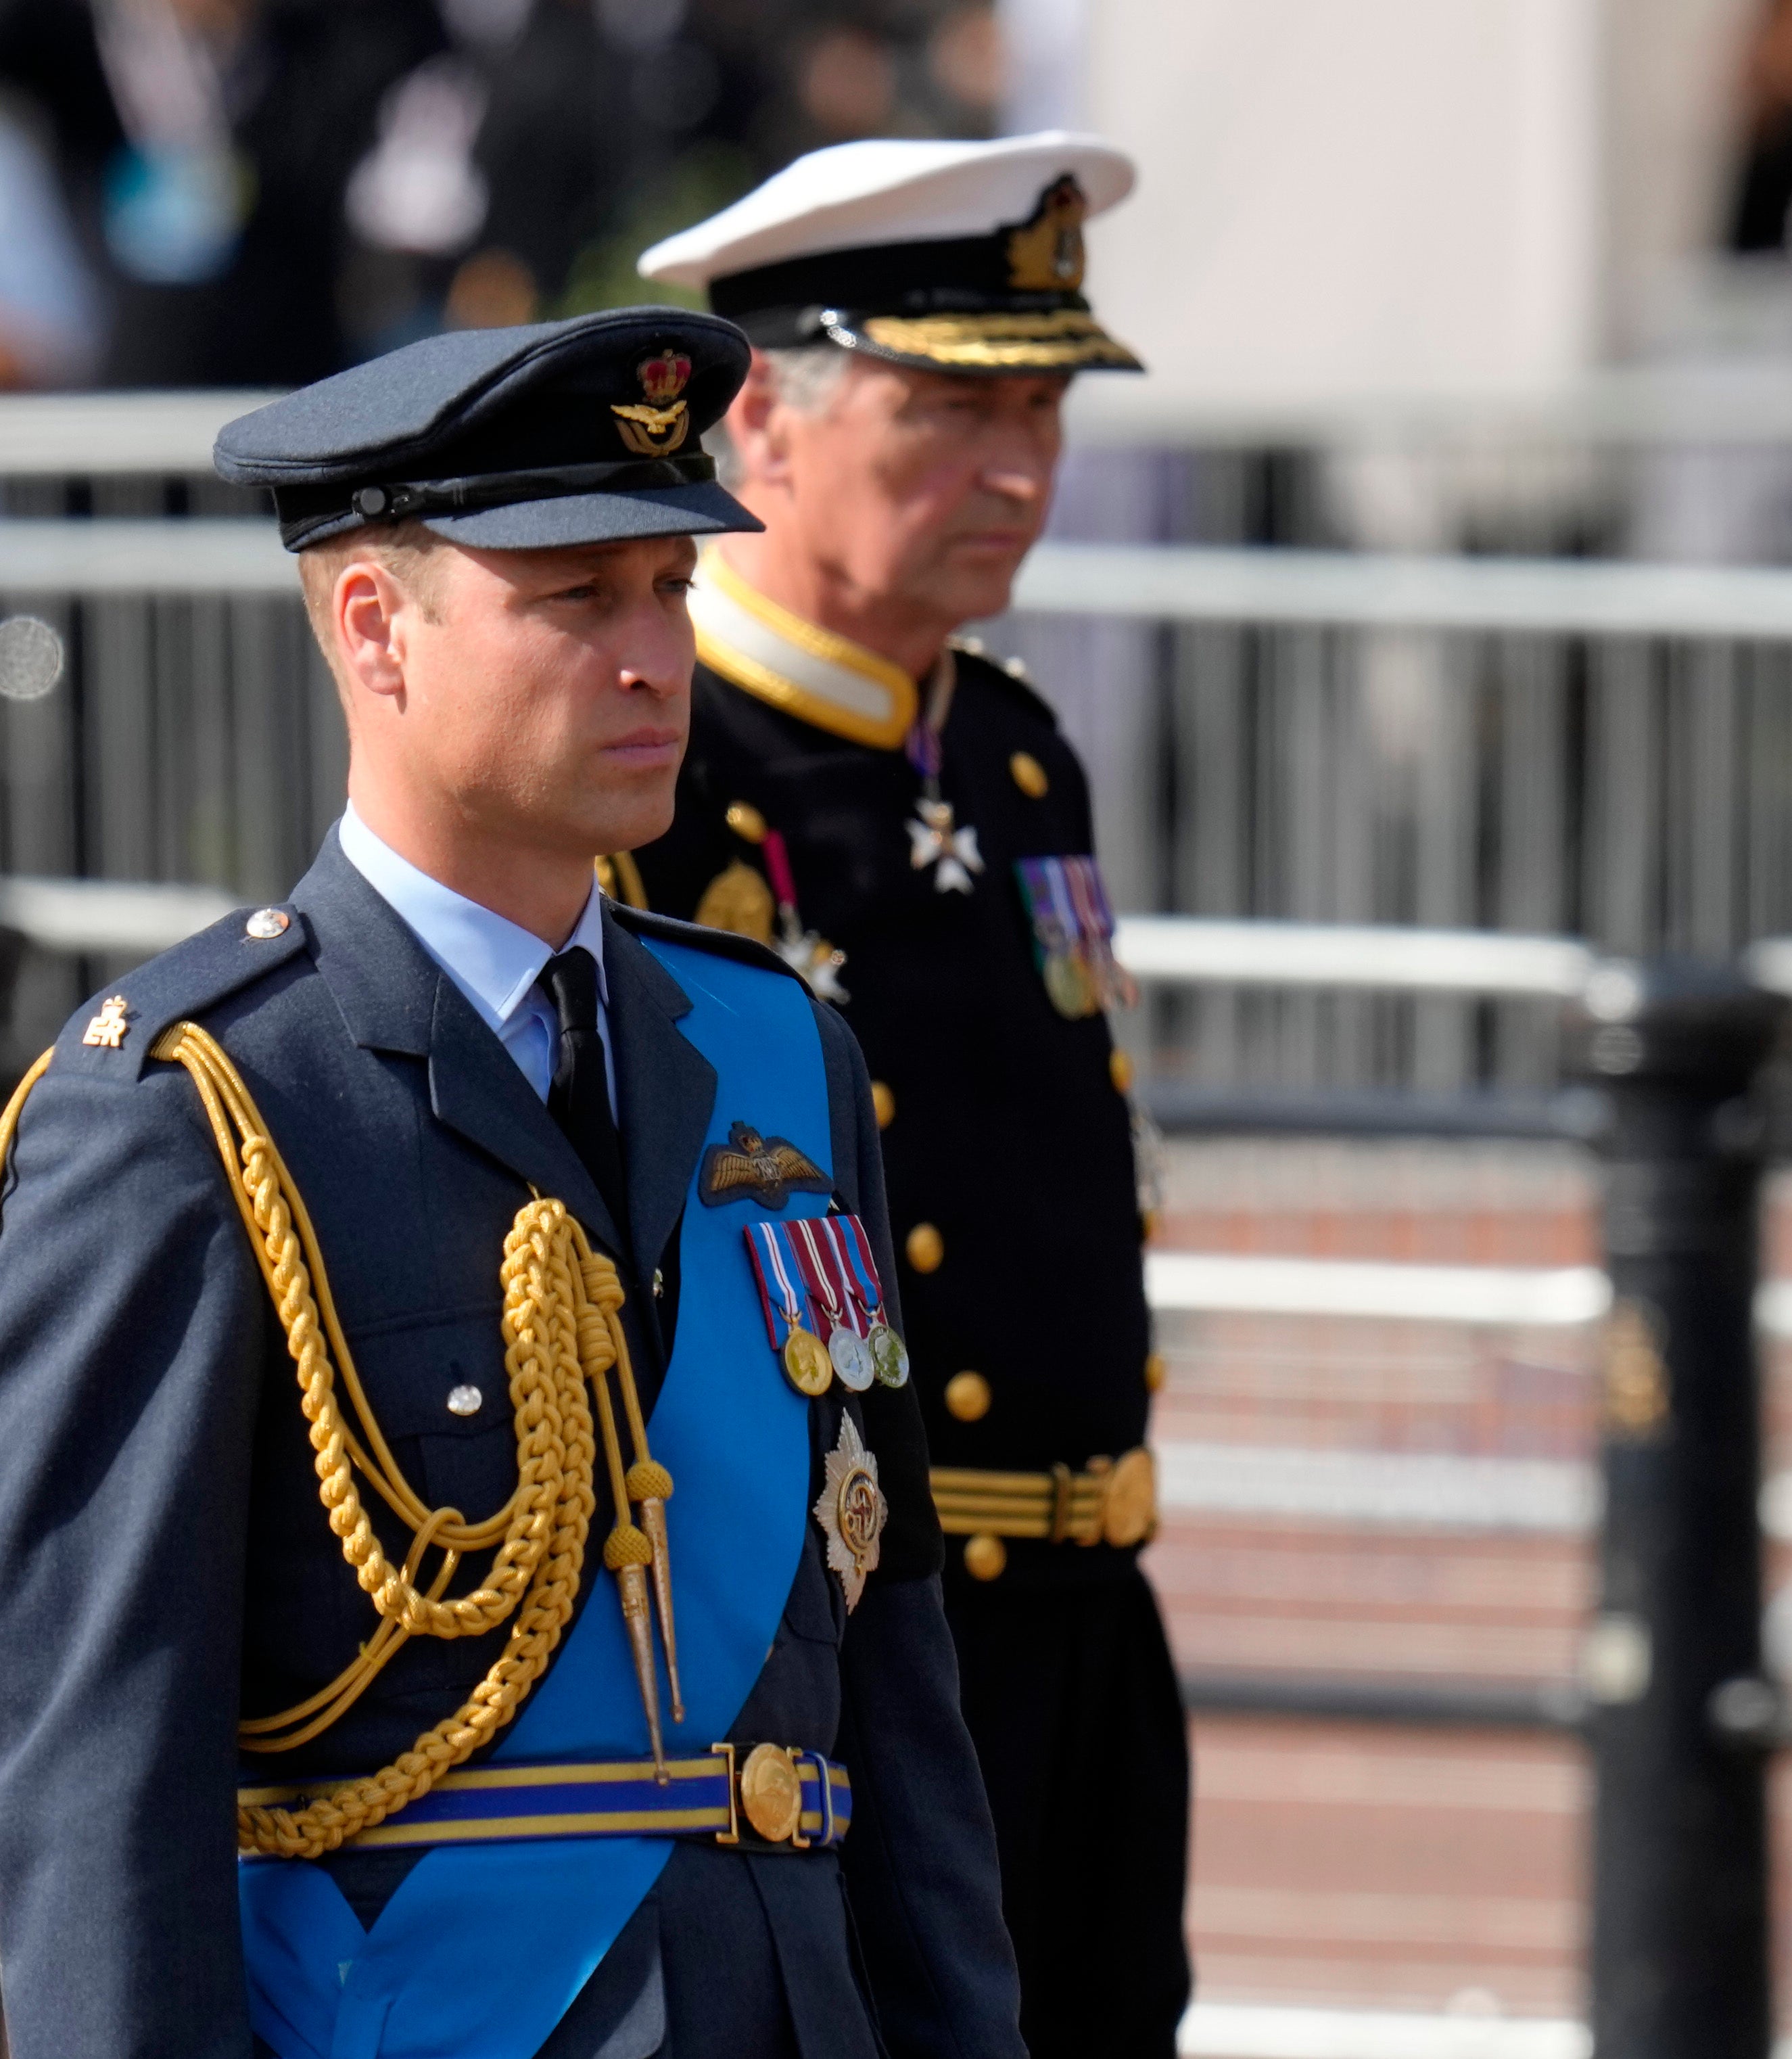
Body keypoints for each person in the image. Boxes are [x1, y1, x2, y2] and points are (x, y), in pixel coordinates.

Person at [0, 308, 1021, 2058]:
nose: (651, 660)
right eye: (575, 601)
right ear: (377, 628)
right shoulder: (198, 1106)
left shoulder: (781, 1052)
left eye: (668, 593)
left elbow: (890, 1673)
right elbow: (102, 1771)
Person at [619, 134, 1187, 2055]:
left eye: (1042, 408)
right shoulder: (663, 782)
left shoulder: (1013, 756)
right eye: (955, 408)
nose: (1021, 470)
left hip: (1092, 1615)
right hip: (845, 1655)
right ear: (761, 421)